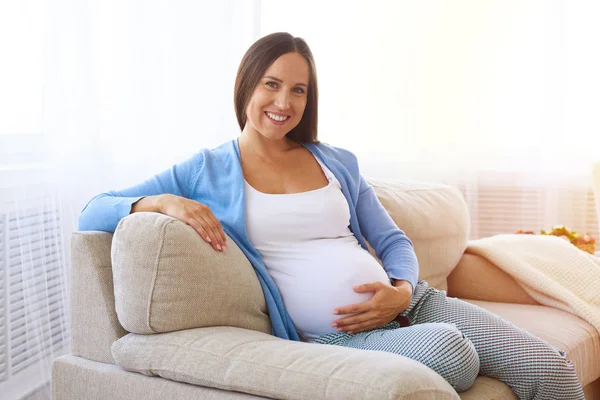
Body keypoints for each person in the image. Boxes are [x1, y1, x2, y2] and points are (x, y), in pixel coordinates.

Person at [79, 32, 584, 399]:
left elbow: (392, 242)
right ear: (246, 87)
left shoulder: (335, 161)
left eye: (298, 90)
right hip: (336, 336)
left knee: (548, 367)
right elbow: (92, 208)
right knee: (452, 353)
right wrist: (161, 201)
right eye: (271, 85)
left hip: (415, 303)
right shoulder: (206, 169)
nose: (283, 102)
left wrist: (403, 290)